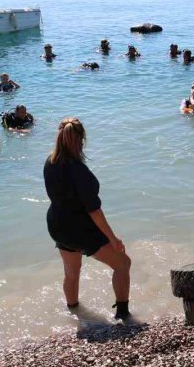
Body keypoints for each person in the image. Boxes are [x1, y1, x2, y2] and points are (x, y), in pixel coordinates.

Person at [44, 118, 132, 319]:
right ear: (80, 140)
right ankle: (123, 315)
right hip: (79, 228)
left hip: (57, 225)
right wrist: (113, 238)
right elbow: (94, 211)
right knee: (123, 263)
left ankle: (75, 313)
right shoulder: (78, 170)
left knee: (71, 271)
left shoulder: (50, 162)